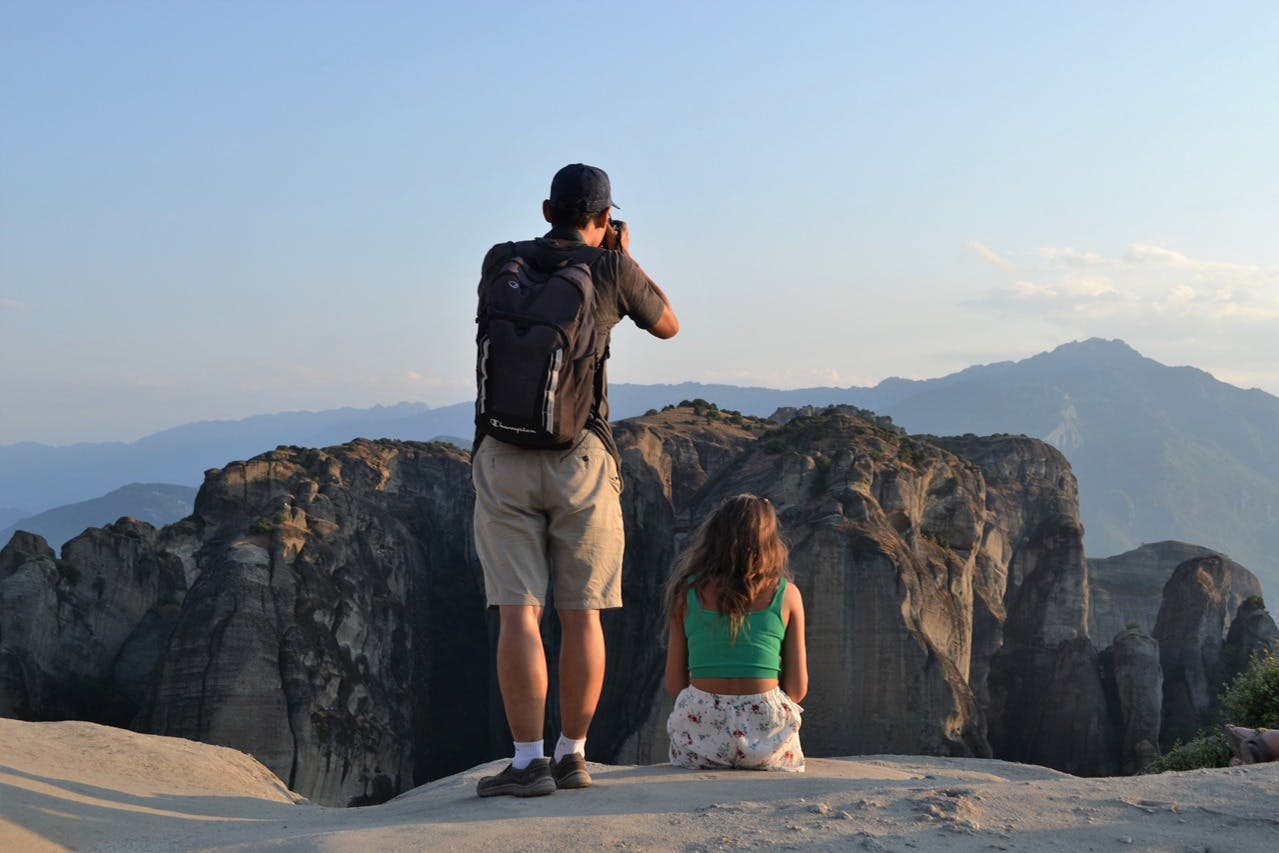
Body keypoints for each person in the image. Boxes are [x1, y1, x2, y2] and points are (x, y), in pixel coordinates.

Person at [473, 164, 679, 798]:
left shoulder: (499, 260)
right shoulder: (611, 268)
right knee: (581, 614)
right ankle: (573, 755)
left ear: (545, 209)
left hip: (503, 454)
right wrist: (619, 254)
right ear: (604, 217)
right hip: (580, 459)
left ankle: (527, 760)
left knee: (518, 616)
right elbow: (668, 323)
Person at [663, 494, 808, 772]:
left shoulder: (686, 593)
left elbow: (674, 684)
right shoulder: (787, 595)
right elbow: (797, 689)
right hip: (765, 735)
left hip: (701, 731)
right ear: (770, 542)